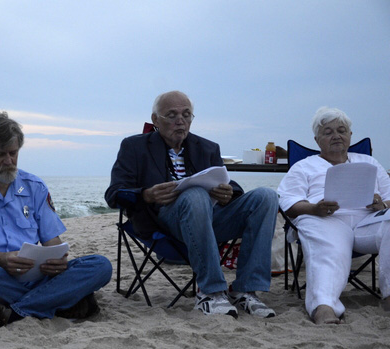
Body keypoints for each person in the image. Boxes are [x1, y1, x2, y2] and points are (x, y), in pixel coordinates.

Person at [105, 90, 278, 318]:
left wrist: (229, 193)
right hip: (162, 223)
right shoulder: (134, 147)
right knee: (195, 194)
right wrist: (146, 194)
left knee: (266, 197)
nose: (180, 121)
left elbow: (228, 183)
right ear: (155, 120)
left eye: (187, 115)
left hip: (210, 221)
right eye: (172, 115)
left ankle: (245, 290)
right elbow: (113, 195)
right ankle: (211, 292)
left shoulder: (207, 148)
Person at [0, 112, 112, 327]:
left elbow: (52, 242)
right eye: (0, 154)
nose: (9, 161)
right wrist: (0, 258)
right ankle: (56, 302)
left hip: (36, 276)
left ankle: (12, 312)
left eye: (13, 153)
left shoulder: (35, 187)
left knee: (101, 265)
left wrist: (57, 261)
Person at [278, 107, 390, 324]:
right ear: (317, 140)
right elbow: (288, 202)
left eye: (341, 130)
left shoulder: (369, 163)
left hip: (368, 221)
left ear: (350, 136)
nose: (336, 136)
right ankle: (324, 306)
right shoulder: (304, 166)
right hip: (325, 218)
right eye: (328, 132)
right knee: (328, 245)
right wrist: (314, 209)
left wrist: (382, 203)